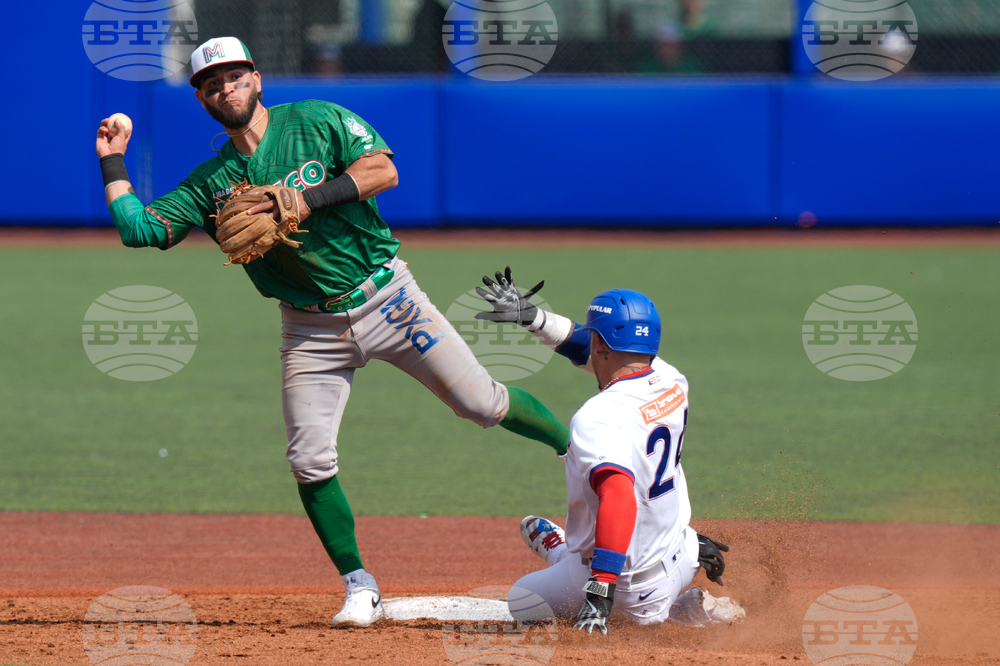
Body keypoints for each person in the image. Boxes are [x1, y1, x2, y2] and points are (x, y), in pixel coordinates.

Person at [94, 37, 570, 629]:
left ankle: (580, 452)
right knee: (309, 459)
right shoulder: (210, 182)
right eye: (212, 84)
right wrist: (112, 160)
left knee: (483, 403)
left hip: (390, 299)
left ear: (257, 79)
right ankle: (359, 585)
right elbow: (140, 230)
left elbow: (383, 170)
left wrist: (303, 200)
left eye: (235, 76)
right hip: (309, 328)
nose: (226, 88)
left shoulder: (316, 120)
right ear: (202, 99)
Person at [475, 272, 744, 633]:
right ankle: (587, 562)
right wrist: (533, 318)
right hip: (681, 554)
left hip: (630, 587)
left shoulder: (597, 417)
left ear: (600, 344)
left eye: (592, 336)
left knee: (522, 599)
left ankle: (678, 612)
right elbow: (588, 348)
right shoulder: (671, 379)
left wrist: (601, 589)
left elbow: (619, 498)